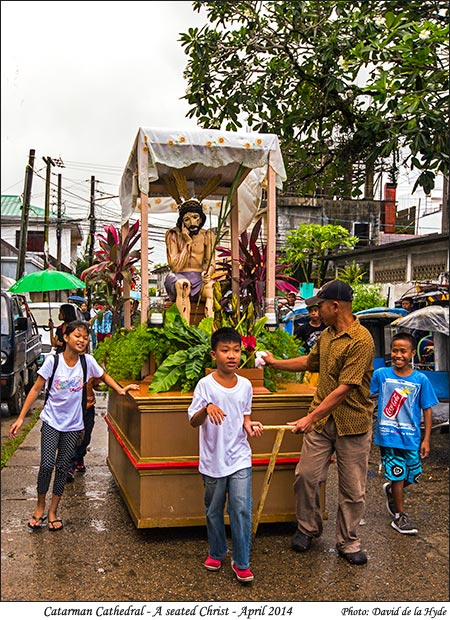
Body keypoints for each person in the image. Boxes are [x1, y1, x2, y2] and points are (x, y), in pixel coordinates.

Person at [262, 279, 375, 565]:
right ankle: (308, 527)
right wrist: (276, 363)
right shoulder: (325, 336)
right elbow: (309, 362)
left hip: (352, 424)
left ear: (335, 307)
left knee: (352, 489)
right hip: (322, 423)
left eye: (320, 306)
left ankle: (348, 541)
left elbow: (344, 388)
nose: (316, 312)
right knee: (306, 476)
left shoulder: (361, 340)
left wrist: (310, 418)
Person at [9, 320, 139, 532]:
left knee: (62, 468)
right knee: (46, 465)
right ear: (66, 338)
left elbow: (103, 376)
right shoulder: (53, 361)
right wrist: (21, 418)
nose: (82, 340)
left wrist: (121, 390)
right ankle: (40, 506)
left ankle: (53, 511)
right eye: (77, 336)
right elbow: (35, 389)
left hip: (73, 425)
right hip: (51, 421)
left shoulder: (87, 362)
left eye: (85, 337)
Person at [187, 327, 264, 583]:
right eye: (225, 350)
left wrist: (250, 426)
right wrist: (206, 408)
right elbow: (193, 421)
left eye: (236, 350)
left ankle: (242, 562)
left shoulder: (246, 386)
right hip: (212, 460)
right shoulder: (204, 385)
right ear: (213, 354)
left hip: (240, 456)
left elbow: (245, 418)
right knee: (213, 510)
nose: (231, 355)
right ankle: (217, 551)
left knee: (241, 509)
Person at [370, 332, 438, 535]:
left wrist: (426, 439)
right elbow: (365, 394)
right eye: (395, 350)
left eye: (403, 351)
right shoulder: (381, 375)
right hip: (388, 436)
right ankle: (400, 516)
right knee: (398, 474)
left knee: (414, 475)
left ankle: (391, 490)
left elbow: (427, 408)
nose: (398, 355)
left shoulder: (421, 380)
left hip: (411, 437)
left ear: (411, 354)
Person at [67, 373, 139, 480]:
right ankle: (70, 466)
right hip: (71, 409)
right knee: (72, 436)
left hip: (88, 407)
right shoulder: (65, 366)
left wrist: (120, 389)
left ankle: (79, 456)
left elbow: (100, 383)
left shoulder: (90, 364)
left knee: (86, 437)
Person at [164, 200, 216, 324]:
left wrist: (208, 273)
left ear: (200, 218)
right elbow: (175, 266)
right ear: (182, 221)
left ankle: (210, 330)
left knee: (211, 288)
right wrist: (187, 243)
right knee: (183, 284)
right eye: (187, 219)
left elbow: (211, 262)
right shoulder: (173, 235)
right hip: (178, 277)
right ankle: (185, 330)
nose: (192, 223)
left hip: (199, 278)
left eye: (195, 217)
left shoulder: (207, 235)